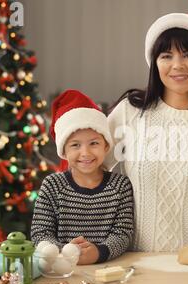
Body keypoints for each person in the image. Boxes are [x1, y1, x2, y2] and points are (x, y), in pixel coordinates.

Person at [104, 13, 188, 252]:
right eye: (166, 56)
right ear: (155, 63)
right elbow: (91, 169)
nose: (177, 65)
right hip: (132, 260)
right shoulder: (130, 112)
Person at [31, 90, 134, 264]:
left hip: (107, 269)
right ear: (64, 151)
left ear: (106, 145)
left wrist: (98, 252)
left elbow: (122, 234)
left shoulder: (120, 185)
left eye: (94, 143)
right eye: (75, 145)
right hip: (61, 270)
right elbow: (40, 233)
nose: (85, 153)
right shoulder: (52, 185)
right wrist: (65, 251)